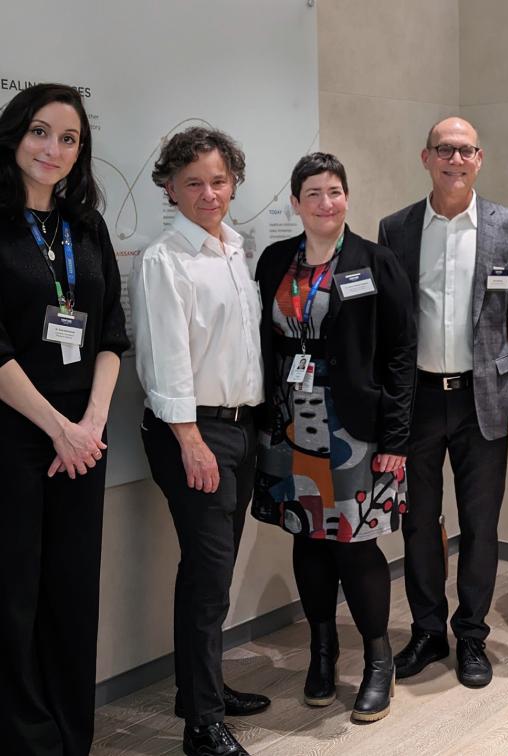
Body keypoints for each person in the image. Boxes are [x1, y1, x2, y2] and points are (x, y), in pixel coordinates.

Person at [378, 117, 508, 688]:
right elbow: (389, 326)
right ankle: (427, 630)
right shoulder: (396, 228)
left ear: (480, 158)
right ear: (426, 157)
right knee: (419, 523)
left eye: (465, 150)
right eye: (443, 149)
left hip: (486, 402)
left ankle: (471, 634)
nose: (455, 158)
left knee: (480, 524)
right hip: (418, 401)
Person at [254, 152, 415, 722]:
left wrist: (397, 439)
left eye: (336, 191)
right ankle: (322, 652)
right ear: (295, 203)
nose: (328, 203)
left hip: (356, 429)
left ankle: (378, 661)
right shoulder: (275, 260)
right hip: (290, 423)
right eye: (315, 193)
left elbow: (400, 356)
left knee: (355, 542)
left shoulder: (376, 261)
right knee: (307, 536)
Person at [130, 127, 268, 756]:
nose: (209, 193)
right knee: (209, 577)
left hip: (241, 427)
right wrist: (190, 439)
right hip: (196, 432)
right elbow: (166, 362)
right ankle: (202, 727)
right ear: (170, 188)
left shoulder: (235, 250)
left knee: (214, 571)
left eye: (218, 180)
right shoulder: (165, 259)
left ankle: (199, 692)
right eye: (194, 183)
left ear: (233, 182)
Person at [0, 83, 128, 755]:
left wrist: (90, 424)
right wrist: (58, 427)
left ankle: (71, 736)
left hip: (84, 437)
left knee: (72, 592)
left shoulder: (85, 226)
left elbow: (111, 332)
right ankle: (26, 741)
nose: (54, 149)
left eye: (70, 138)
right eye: (41, 133)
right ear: (16, 135)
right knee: (14, 596)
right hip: (17, 436)